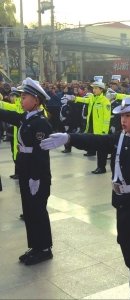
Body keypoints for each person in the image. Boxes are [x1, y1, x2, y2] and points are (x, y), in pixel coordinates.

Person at [40, 97, 130, 299]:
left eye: (128, 116)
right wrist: (69, 138)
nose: (123, 120)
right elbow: (96, 140)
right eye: (121, 116)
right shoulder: (121, 138)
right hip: (123, 210)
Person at [0, 78, 53, 265]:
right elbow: (10, 116)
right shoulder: (27, 117)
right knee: (29, 211)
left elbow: (41, 154)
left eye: (24, 97)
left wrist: (36, 178)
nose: (21, 100)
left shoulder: (41, 123)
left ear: (36, 100)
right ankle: (35, 246)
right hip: (26, 169)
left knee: (38, 210)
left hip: (36, 174)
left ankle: (45, 248)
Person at [64, 81, 111, 174]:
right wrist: (75, 98)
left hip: (101, 130)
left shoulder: (105, 101)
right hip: (92, 127)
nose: (94, 90)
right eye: (93, 88)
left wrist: (104, 131)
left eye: (96, 88)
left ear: (101, 89)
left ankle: (101, 167)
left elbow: (107, 117)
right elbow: (85, 100)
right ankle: (99, 166)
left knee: (101, 150)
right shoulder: (93, 98)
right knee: (96, 147)